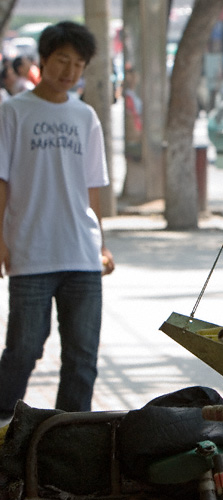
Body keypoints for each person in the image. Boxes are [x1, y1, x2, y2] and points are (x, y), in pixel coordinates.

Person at [0, 21, 115, 427]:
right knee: (24, 349)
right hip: (31, 252)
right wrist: (1, 240)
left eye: (78, 64)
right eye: (62, 60)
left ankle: (70, 439)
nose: (69, 71)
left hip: (81, 254)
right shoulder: (12, 112)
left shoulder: (85, 117)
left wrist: (100, 243)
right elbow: (1, 180)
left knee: (82, 357)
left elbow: (93, 187)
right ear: (43, 61)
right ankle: (2, 428)